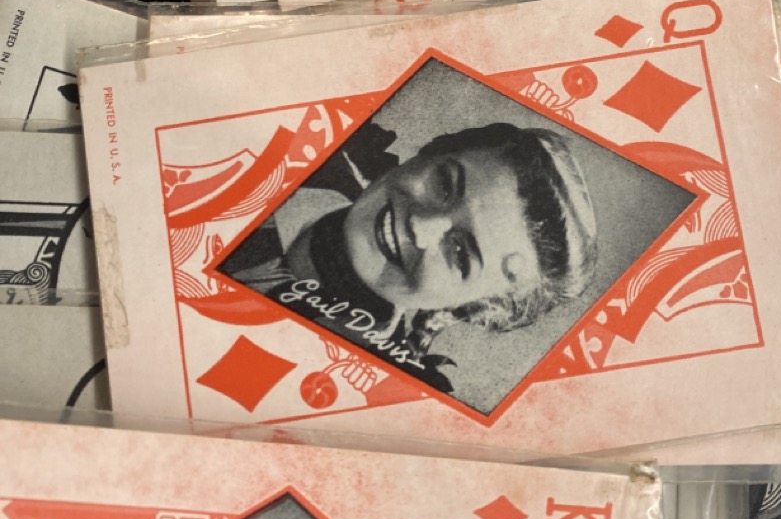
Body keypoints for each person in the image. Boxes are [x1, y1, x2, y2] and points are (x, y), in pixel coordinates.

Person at [220, 119, 598, 392]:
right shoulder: (285, 148)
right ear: (424, 156)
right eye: (444, 185)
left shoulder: (381, 390)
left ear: (467, 307)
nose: (421, 225)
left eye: (461, 254)